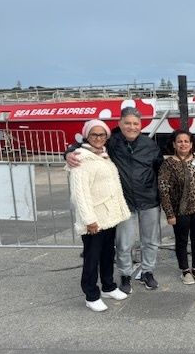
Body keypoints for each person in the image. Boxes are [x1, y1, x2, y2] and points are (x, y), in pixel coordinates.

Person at [66, 107, 164, 293]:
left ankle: (147, 272)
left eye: (136, 123)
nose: (132, 127)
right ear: (119, 123)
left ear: (141, 125)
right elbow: (84, 144)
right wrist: (68, 153)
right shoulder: (112, 142)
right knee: (124, 243)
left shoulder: (149, 144)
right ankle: (125, 274)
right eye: (127, 123)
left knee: (150, 241)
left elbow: (160, 169)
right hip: (124, 203)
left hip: (149, 201)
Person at [67, 120, 131, 312]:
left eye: (102, 135)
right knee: (92, 257)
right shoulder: (81, 158)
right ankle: (91, 294)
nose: (98, 138)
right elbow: (80, 193)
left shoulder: (103, 155)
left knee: (106, 254)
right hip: (94, 219)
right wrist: (89, 220)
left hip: (108, 216)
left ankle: (108, 286)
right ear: (86, 136)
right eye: (94, 135)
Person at [158, 129, 195, 285]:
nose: (183, 144)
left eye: (186, 141)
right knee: (181, 240)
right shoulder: (168, 164)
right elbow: (163, 189)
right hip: (180, 210)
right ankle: (185, 271)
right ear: (174, 144)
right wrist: (169, 214)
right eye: (179, 141)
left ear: (191, 144)